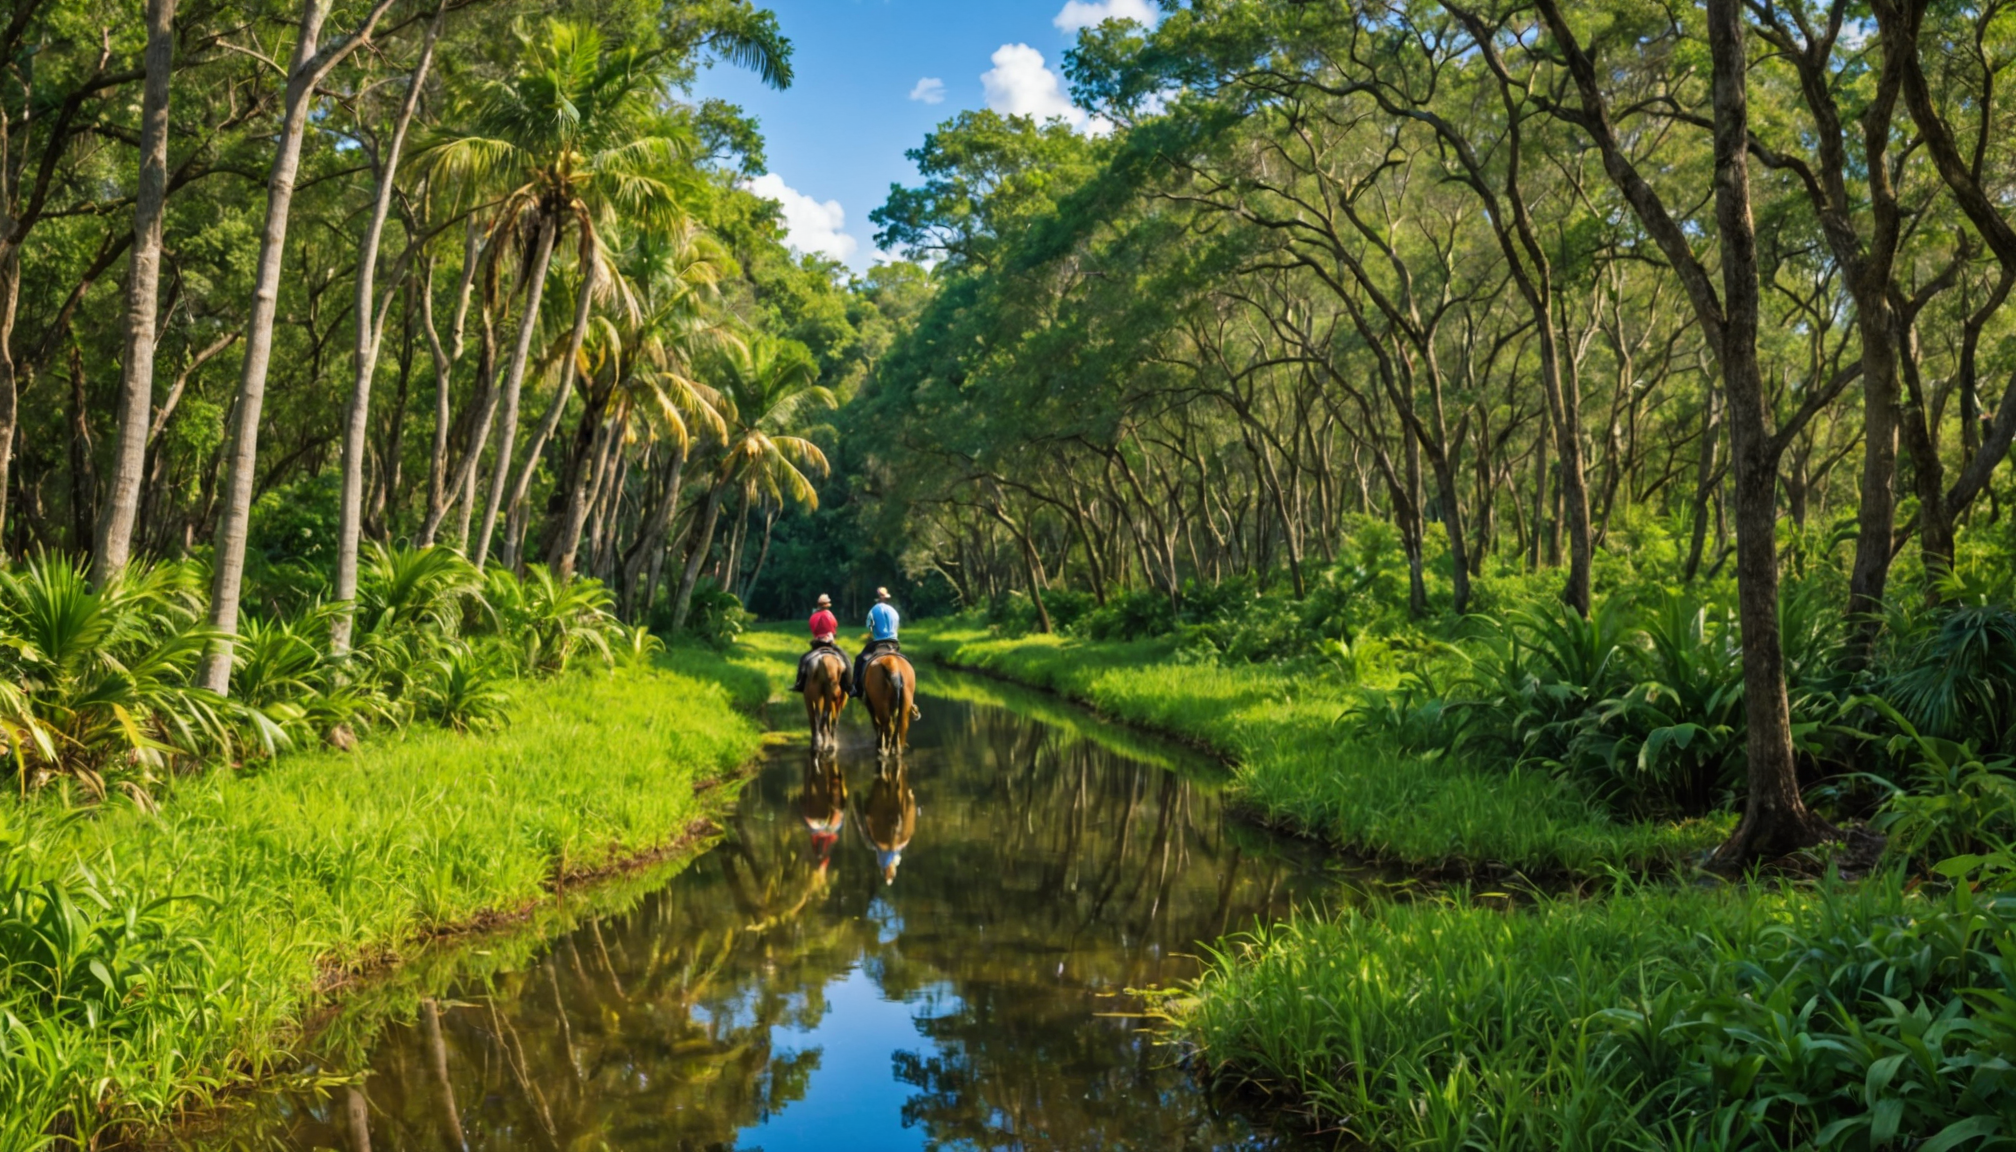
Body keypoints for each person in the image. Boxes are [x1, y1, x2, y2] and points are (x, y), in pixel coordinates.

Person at [791, 594, 847, 693]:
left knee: (803, 660)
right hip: (829, 641)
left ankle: (799, 683)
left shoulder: (813, 616)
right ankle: (848, 684)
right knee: (846, 659)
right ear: (827, 605)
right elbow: (834, 626)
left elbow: (812, 628)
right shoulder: (829, 614)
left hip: (817, 642)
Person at [850, 587, 900, 698]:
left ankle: (856, 688)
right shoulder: (894, 611)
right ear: (887, 599)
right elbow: (896, 626)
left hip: (878, 642)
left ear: (878, 598)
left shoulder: (873, 610)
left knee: (859, 659)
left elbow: (869, 627)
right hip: (893, 643)